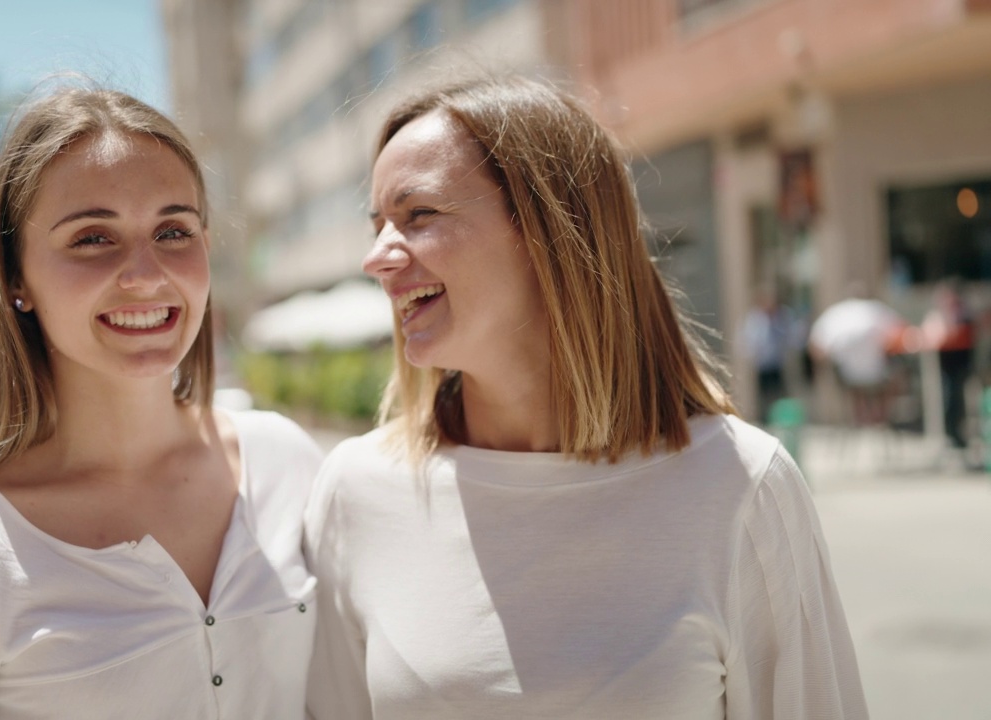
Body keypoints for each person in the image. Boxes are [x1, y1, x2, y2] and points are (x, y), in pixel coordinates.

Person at [304, 76, 867, 719]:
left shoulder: (742, 485)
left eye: (419, 215)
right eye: (377, 224)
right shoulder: (354, 490)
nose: (376, 257)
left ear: (549, 230)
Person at [0, 85, 323, 719]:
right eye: (92, 238)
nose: (146, 274)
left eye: (173, 230)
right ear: (16, 278)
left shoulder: (286, 461)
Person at [807, 287, 906, 427]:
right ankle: (879, 415)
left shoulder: (835, 314)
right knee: (898, 375)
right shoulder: (877, 310)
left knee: (853, 381)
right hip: (877, 374)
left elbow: (815, 348)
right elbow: (903, 333)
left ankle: (860, 415)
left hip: (847, 378)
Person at [923, 279, 975, 450]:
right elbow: (930, 334)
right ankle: (950, 435)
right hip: (944, 366)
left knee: (958, 400)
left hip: (961, 365)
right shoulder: (937, 316)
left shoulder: (964, 314)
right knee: (948, 399)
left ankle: (959, 435)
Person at [738, 287, 801, 424]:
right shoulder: (755, 319)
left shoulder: (783, 316)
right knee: (763, 395)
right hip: (762, 364)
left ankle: (780, 421)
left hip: (779, 363)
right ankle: (765, 420)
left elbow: (793, 336)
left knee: (780, 395)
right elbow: (748, 340)